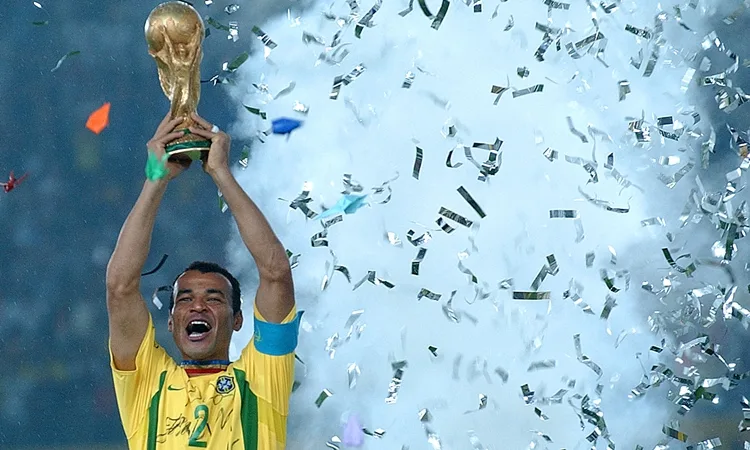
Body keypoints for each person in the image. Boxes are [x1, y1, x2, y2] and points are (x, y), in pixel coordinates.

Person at [106, 112, 300, 449]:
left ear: (237, 320)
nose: (198, 304)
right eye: (185, 299)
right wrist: (156, 177)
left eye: (214, 298)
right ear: (170, 321)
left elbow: (275, 273)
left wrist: (221, 173)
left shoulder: (262, 378)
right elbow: (120, 287)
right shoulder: (148, 383)